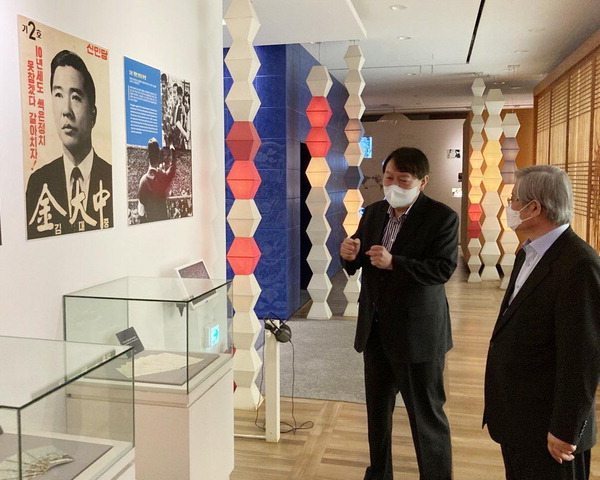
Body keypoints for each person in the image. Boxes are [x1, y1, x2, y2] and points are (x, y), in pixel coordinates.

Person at [340, 147, 458, 480]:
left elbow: (442, 269)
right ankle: (379, 474)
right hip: (376, 330)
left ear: (423, 182)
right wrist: (349, 254)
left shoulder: (442, 218)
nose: (393, 185)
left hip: (418, 335)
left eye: (403, 180)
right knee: (377, 414)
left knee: (426, 418)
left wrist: (395, 263)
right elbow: (361, 257)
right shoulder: (374, 212)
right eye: (388, 178)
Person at [484, 165, 600, 480]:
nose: (510, 206)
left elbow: (583, 358)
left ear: (534, 208)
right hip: (518, 418)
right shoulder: (529, 252)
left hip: (550, 430)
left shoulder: (579, 265)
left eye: (513, 199)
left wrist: (565, 428)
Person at [26, 49, 112, 239]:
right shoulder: (38, 183)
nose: (66, 110)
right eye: (58, 95)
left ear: (93, 114)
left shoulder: (111, 177)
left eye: (75, 97)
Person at [137, 137, 177, 223]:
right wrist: (172, 149)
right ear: (159, 156)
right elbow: (173, 168)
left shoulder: (143, 181)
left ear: (148, 157)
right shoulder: (163, 176)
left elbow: (141, 212)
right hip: (163, 222)